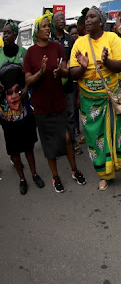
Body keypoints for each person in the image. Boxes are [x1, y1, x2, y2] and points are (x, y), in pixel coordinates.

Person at [69, 7, 121, 191]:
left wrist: (106, 62)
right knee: (95, 138)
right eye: (86, 18)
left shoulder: (111, 38)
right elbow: (72, 73)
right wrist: (82, 67)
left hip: (110, 98)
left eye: (92, 17)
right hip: (90, 101)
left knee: (119, 134)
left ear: (101, 20)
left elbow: (120, 65)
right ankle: (104, 174)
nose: (88, 20)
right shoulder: (79, 43)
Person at [23, 12, 87, 193]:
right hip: (41, 106)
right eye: (43, 26)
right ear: (36, 31)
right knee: (49, 145)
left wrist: (61, 72)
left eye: (47, 26)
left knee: (67, 139)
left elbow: (66, 71)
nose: (47, 29)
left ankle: (75, 170)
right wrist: (40, 73)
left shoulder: (56, 47)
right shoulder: (31, 53)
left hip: (58, 101)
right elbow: (27, 81)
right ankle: (55, 177)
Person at [0, 62, 44, 195]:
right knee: (15, 154)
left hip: (24, 123)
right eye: (9, 93)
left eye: (16, 91)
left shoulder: (24, 93)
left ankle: (34, 174)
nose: (14, 96)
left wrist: (26, 89)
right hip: (8, 126)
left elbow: (31, 88)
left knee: (28, 150)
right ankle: (22, 179)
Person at [50, 11, 81, 154]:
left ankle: (73, 143)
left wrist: (69, 66)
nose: (61, 21)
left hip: (68, 83)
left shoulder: (69, 38)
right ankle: (58, 144)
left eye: (63, 18)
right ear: (53, 22)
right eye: (58, 19)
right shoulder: (49, 38)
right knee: (55, 115)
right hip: (53, 85)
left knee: (70, 113)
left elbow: (74, 57)